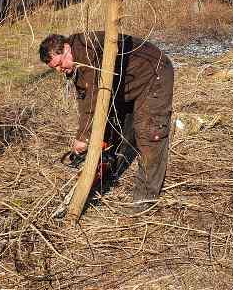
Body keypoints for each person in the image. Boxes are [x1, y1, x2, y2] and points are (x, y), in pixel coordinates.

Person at [39, 32, 174, 211]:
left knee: (150, 133)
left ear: (65, 48)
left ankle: (145, 200)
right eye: (54, 68)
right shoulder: (76, 62)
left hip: (154, 73)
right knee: (116, 129)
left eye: (59, 64)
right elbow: (85, 99)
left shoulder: (88, 50)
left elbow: (93, 98)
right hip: (126, 83)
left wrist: (83, 137)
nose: (59, 70)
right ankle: (112, 172)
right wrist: (86, 133)